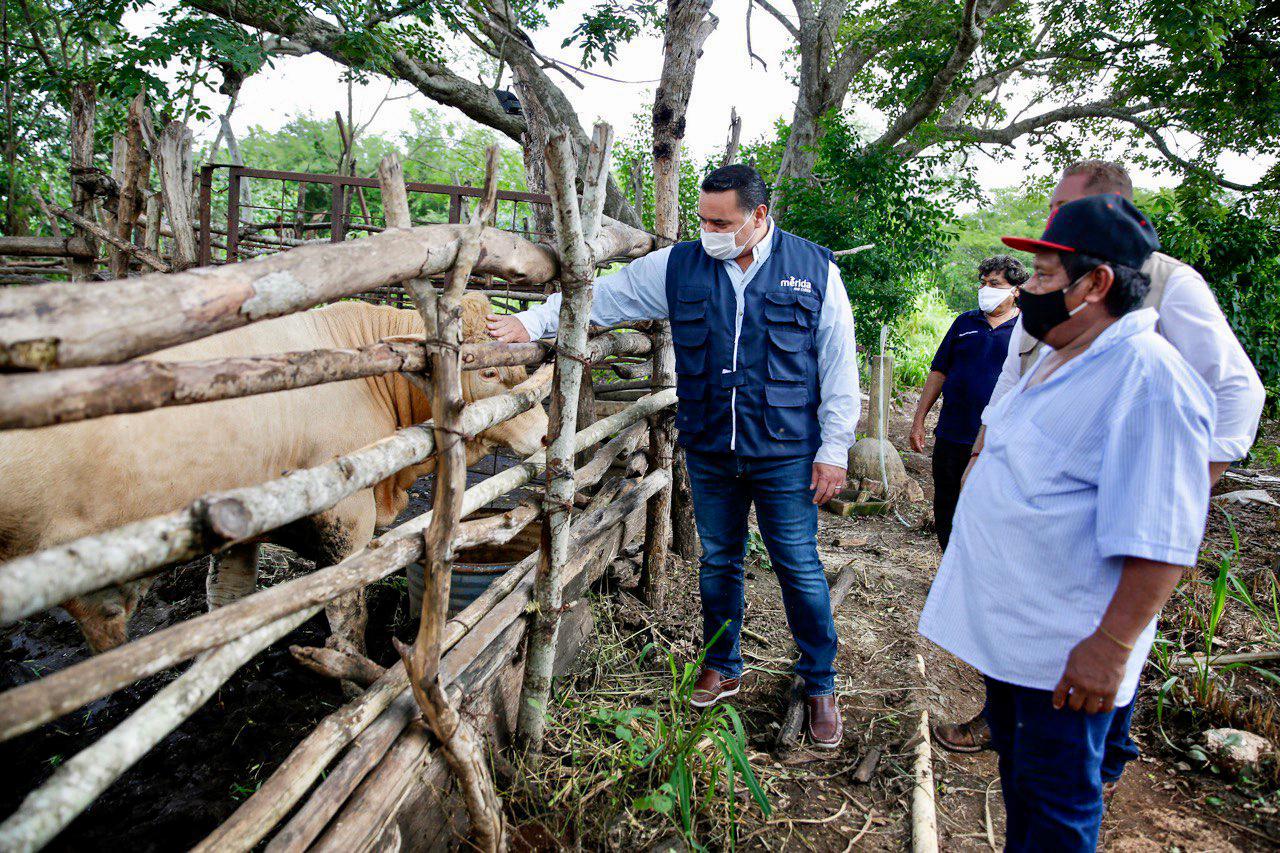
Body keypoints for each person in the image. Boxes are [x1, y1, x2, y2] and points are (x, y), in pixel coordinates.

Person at [487, 164, 860, 747]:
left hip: (786, 450)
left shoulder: (813, 270)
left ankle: (819, 682)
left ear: (759, 217)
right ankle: (723, 663)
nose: (708, 231)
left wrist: (833, 450)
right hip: (711, 444)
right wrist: (530, 320)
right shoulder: (679, 265)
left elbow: (839, 365)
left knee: (797, 565)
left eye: (722, 221)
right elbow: (604, 298)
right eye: (703, 219)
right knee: (719, 562)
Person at [933, 160, 1266, 766]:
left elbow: (1237, 393)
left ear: (1099, 279)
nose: (1052, 221)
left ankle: (1108, 750)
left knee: (1072, 746)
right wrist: (987, 450)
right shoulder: (1063, 328)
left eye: (1063, 211)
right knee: (1031, 747)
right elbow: (1015, 375)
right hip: (1038, 552)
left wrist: (1182, 483)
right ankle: (1015, 721)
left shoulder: (1164, 305)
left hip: (1095, 539)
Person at [918, 195, 1215, 851]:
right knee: (1022, 778)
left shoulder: (1148, 379)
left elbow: (1163, 538)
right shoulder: (1062, 352)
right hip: (1019, 641)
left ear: (1096, 284)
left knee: (1058, 800)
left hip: (1066, 655)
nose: (1027, 292)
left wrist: (1109, 647)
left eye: (1046, 277)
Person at [910, 255, 1025, 550]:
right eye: (983, 283)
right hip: (952, 432)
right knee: (946, 504)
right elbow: (939, 371)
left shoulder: (1027, 331)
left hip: (996, 439)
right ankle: (947, 564)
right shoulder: (965, 323)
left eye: (995, 283)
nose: (986, 288)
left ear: (1016, 290)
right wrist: (919, 419)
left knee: (988, 508)